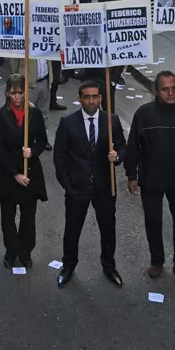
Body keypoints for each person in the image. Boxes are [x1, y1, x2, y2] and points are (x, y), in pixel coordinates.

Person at [125, 71, 175, 284]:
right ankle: (157, 261)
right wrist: (132, 175)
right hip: (151, 178)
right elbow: (133, 146)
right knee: (154, 221)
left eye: (174, 88)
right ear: (156, 91)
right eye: (165, 89)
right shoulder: (144, 114)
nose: (170, 93)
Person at [53, 81, 127, 287]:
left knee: (108, 228)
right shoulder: (68, 122)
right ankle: (68, 265)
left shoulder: (111, 121)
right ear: (80, 98)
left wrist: (118, 156)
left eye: (95, 96)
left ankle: (109, 265)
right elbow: (59, 156)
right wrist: (66, 183)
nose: (91, 100)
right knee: (72, 228)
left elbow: (123, 147)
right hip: (77, 186)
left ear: (101, 98)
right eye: (87, 97)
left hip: (104, 186)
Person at [0, 75, 47, 270]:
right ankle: (11, 250)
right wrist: (15, 173)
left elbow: (41, 140)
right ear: (7, 93)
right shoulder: (0, 115)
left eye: (20, 92)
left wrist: (33, 151)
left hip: (30, 172)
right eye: (13, 92)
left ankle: (25, 251)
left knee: (28, 217)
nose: (17, 96)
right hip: (8, 174)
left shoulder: (35, 113)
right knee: (8, 217)